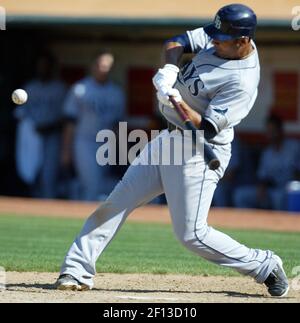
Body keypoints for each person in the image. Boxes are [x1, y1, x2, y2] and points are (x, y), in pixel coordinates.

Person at [56, 4, 289, 297]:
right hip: (168, 140)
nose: (214, 42)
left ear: (242, 41)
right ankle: (76, 268)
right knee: (118, 201)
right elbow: (176, 42)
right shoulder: (224, 34)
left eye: (221, 40)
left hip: (199, 151)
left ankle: (264, 265)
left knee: (191, 235)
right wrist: (170, 69)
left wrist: (178, 99)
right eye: (214, 36)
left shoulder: (242, 81)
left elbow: (206, 126)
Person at [62, 52, 126, 201]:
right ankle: (90, 219)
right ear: (93, 66)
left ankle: (83, 207)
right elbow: (70, 122)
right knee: (92, 184)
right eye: (100, 65)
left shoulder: (116, 92)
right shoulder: (80, 88)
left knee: (98, 184)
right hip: (84, 141)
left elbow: (118, 125)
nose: (103, 69)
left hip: (106, 144)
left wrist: (120, 151)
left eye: (107, 66)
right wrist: (65, 151)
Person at [15, 52, 66, 198]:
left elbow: (65, 118)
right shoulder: (29, 88)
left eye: (46, 66)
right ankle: (31, 208)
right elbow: (20, 115)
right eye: (40, 66)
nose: (43, 69)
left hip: (52, 137)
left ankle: (48, 207)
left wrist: (49, 127)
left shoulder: (60, 89)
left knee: (48, 176)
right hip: (33, 138)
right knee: (31, 174)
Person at [234, 115, 300, 210]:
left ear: (281, 130)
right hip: (271, 189)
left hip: (289, 189)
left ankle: (282, 224)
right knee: (240, 195)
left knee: (279, 197)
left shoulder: (294, 147)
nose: (271, 134)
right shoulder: (267, 153)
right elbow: (262, 177)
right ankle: (253, 222)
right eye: (269, 131)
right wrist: (262, 187)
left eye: (273, 131)